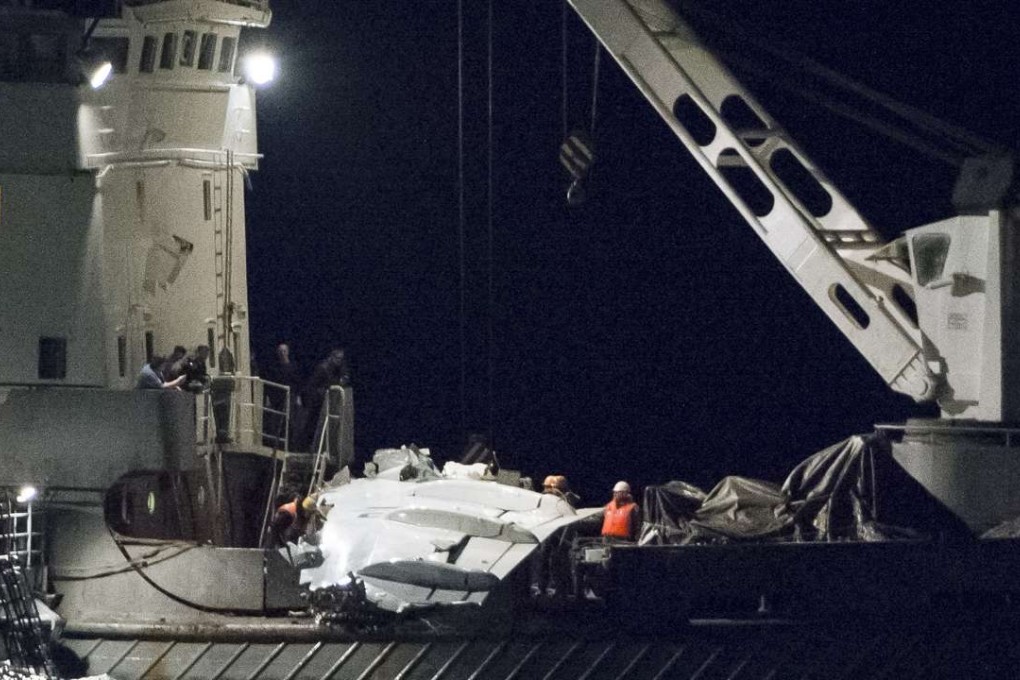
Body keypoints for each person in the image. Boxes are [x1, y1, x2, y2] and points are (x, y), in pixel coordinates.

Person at [300, 347, 351, 452]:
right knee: (312, 423)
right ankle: (304, 446)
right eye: (337, 358)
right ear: (332, 357)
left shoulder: (340, 367)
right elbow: (312, 385)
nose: (339, 361)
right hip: (317, 401)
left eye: (341, 359)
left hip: (328, 402)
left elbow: (344, 376)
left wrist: (343, 379)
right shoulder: (323, 368)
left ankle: (319, 447)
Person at [263, 341, 302, 448]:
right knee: (276, 421)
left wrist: (298, 397)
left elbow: (297, 383)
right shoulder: (274, 368)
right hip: (278, 398)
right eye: (280, 351)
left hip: (291, 397)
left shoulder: (293, 367)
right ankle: (276, 444)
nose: (283, 353)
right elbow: (271, 383)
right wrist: (268, 398)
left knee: (291, 421)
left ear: (288, 352)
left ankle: (291, 444)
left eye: (284, 351)